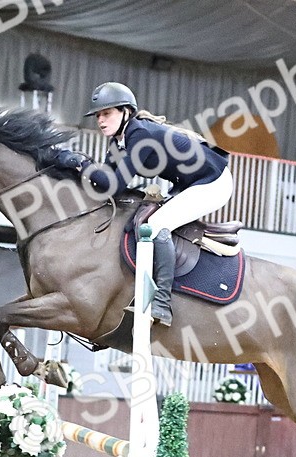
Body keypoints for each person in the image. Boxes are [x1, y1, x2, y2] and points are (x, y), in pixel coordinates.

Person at [51, 82, 233, 327]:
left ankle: (161, 302)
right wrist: (73, 166)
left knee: (156, 225)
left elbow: (113, 184)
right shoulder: (119, 141)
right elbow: (105, 184)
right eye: (98, 116)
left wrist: (81, 163)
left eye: (107, 113)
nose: (101, 120)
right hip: (187, 182)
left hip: (214, 182)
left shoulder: (140, 134)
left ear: (126, 111)